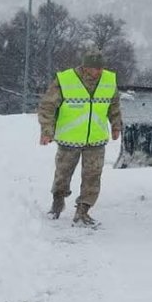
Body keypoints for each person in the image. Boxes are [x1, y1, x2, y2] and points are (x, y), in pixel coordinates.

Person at [38, 50, 122, 226]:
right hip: (69, 139)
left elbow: (114, 105)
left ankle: (83, 210)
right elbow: (48, 106)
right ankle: (58, 201)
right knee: (63, 174)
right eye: (94, 68)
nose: (98, 72)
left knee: (93, 176)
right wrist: (47, 131)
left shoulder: (108, 80)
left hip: (96, 139)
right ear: (85, 67)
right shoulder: (65, 80)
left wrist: (116, 125)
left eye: (100, 68)